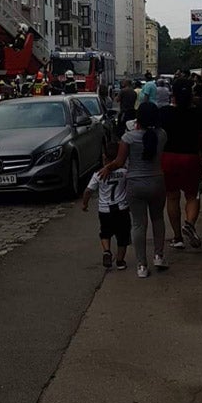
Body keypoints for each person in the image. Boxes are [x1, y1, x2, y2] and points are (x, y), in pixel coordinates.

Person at [100, 102, 167, 278]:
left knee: (138, 224)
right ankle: (159, 256)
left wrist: (108, 167)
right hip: (157, 181)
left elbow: (120, 162)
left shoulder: (128, 138)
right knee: (158, 219)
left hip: (135, 183)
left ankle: (141, 265)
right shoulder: (161, 135)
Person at [159, 80, 202, 249]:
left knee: (172, 197)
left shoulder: (164, 113)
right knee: (192, 196)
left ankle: (177, 237)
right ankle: (189, 223)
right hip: (190, 158)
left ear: (172, 95)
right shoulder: (199, 113)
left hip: (168, 158)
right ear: (191, 95)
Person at [82, 141, 130, 270]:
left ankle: (107, 251)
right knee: (123, 236)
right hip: (121, 208)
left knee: (105, 233)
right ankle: (120, 261)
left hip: (105, 210)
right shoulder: (124, 173)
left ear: (104, 157)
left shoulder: (98, 175)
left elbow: (88, 191)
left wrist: (84, 204)